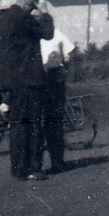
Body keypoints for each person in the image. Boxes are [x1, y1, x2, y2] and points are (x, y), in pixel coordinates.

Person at [0, 0, 54, 181]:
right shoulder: (22, 18)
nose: (34, 6)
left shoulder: (4, 18)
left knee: (18, 126)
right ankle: (34, 168)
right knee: (33, 126)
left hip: (11, 80)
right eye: (34, 2)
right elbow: (47, 33)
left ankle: (19, 169)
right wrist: (45, 13)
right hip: (29, 79)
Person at [39, 23, 77, 174]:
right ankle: (38, 165)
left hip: (54, 80)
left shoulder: (57, 34)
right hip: (38, 80)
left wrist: (64, 69)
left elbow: (71, 52)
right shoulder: (32, 35)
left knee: (54, 123)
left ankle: (57, 162)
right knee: (41, 125)